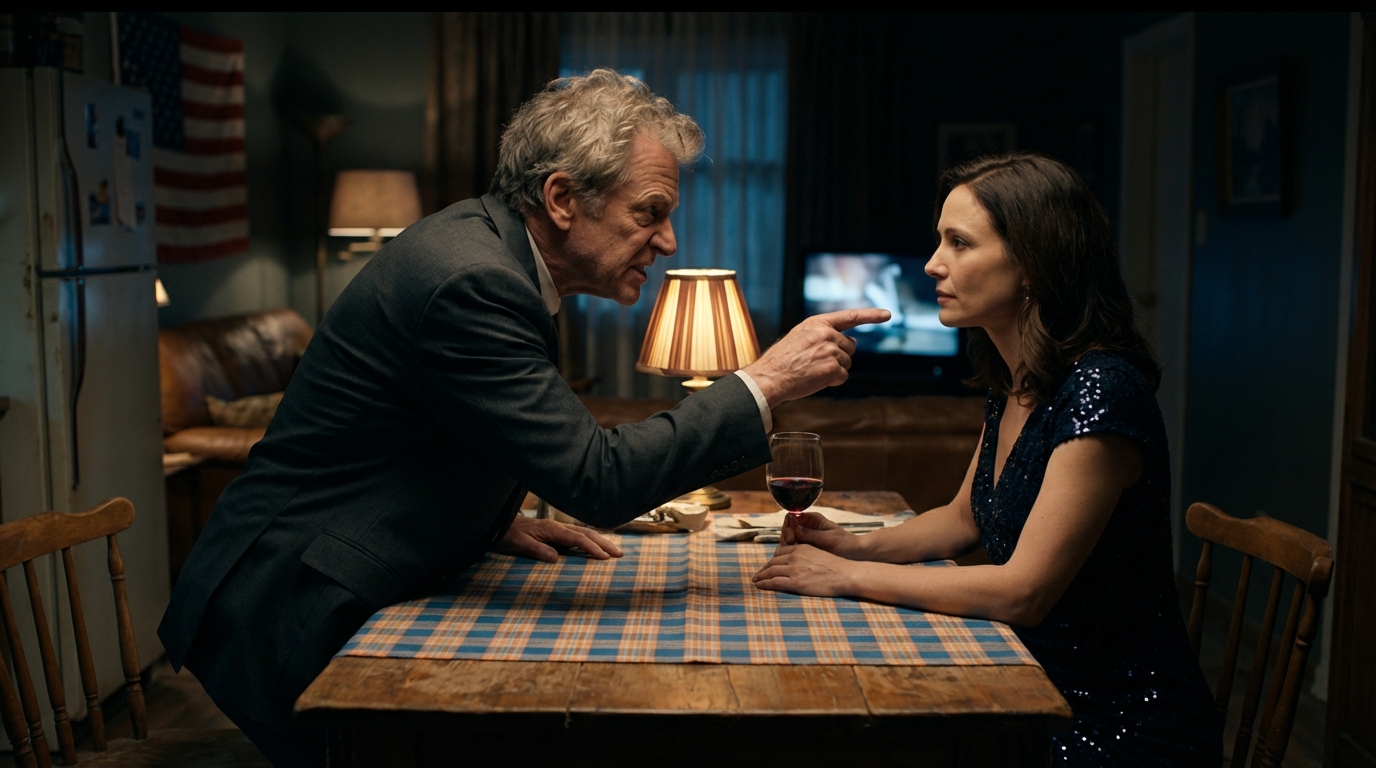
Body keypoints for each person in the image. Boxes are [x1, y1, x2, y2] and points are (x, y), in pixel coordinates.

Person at [159, 69, 888, 767]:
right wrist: (764, 381)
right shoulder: (473, 280)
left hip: (315, 577)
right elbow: (599, 480)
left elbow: (428, 430)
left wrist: (481, 518)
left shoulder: (495, 254)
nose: (668, 242)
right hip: (287, 601)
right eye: (650, 212)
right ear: (562, 197)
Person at [752, 152, 1223, 766]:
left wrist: (843, 577)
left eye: (959, 243)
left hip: (1113, 722)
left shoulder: (1104, 389)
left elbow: (1023, 592)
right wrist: (851, 545)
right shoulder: (1018, 380)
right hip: (1024, 677)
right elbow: (962, 519)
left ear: (1032, 262)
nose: (932, 263)